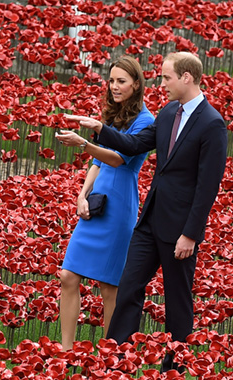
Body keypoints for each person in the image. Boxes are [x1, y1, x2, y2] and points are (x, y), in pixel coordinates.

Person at [65, 52, 228, 372]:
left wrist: (190, 234)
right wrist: (100, 128)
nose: (162, 83)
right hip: (150, 220)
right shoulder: (168, 113)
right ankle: (117, 361)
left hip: (180, 228)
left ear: (186, 78)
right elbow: (135, 143)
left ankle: (175, 368)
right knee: (128, 286)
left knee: (177, 299)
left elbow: (207, 187)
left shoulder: (212, 123)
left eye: (167, 77)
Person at [55, 56, 154, 351]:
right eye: (111, 81)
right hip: (96, 202)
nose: (114, 86)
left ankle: (109, 354)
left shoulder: (146, 121)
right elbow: (98, 162)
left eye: (121, 81)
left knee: (109, 287)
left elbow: (118, 158)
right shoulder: (112, 116)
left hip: (120, 204)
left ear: (136, 84)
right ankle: (66, 349)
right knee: (68, 275)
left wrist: (84, 143)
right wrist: (81, 195)